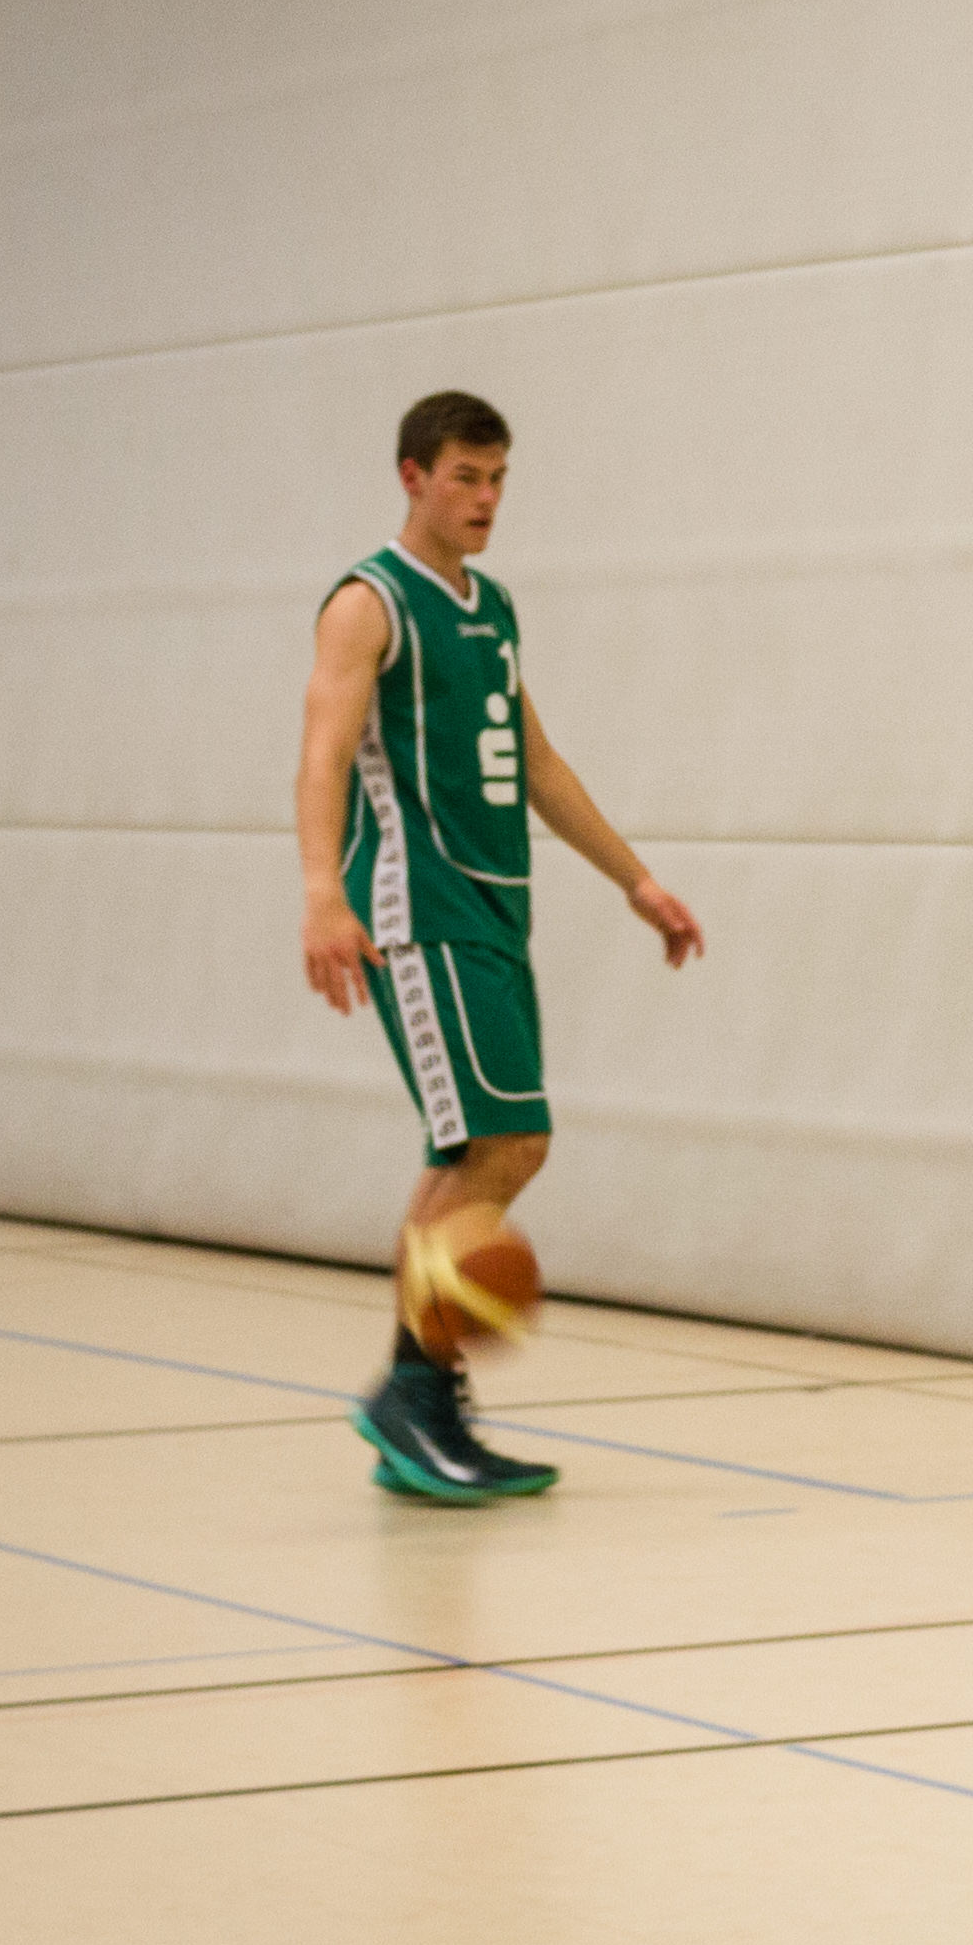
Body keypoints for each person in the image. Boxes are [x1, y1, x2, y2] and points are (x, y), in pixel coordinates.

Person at [294, 390, 703, 1502]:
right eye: (466, 477)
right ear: (412, 477)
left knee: (475, 1152)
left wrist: (635, 879)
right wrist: (323, 892)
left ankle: (420, 1401)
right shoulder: (367, 604)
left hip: (493, 909)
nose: (485, 499)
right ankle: (413, 1394)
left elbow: (536, 760)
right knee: (503, 1145)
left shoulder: (494, 607)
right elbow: (324, 751)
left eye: (499, 479)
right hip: (419, 910)